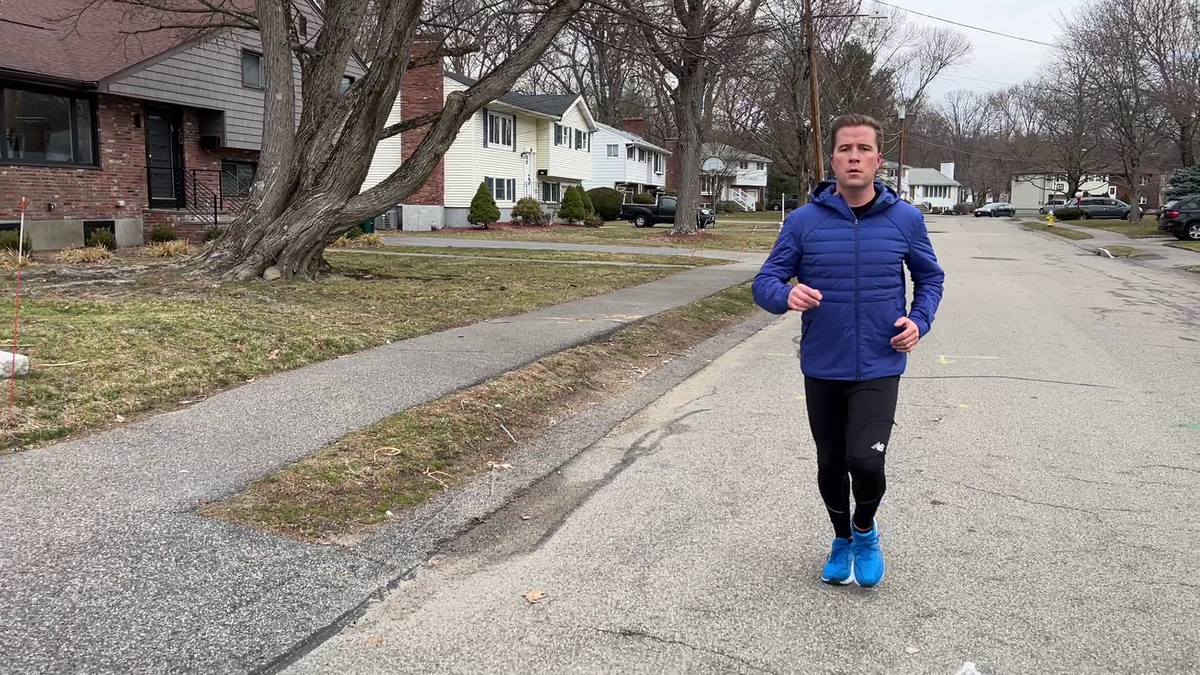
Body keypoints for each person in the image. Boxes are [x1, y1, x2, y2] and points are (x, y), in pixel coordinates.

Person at [751, 114, 945, 588]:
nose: (854, 157)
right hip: (824, 363)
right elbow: (765, 282)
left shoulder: (906, 219)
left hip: (880, 361)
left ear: (879, 160)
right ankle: (841, 538)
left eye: (863, 149)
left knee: (867, 461)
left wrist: (918, 322)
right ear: (832, 159)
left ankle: (865, 531)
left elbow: (931, 278)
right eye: (845, 149)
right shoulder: (803, 222)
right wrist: (785, 296)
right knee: (831, 463)